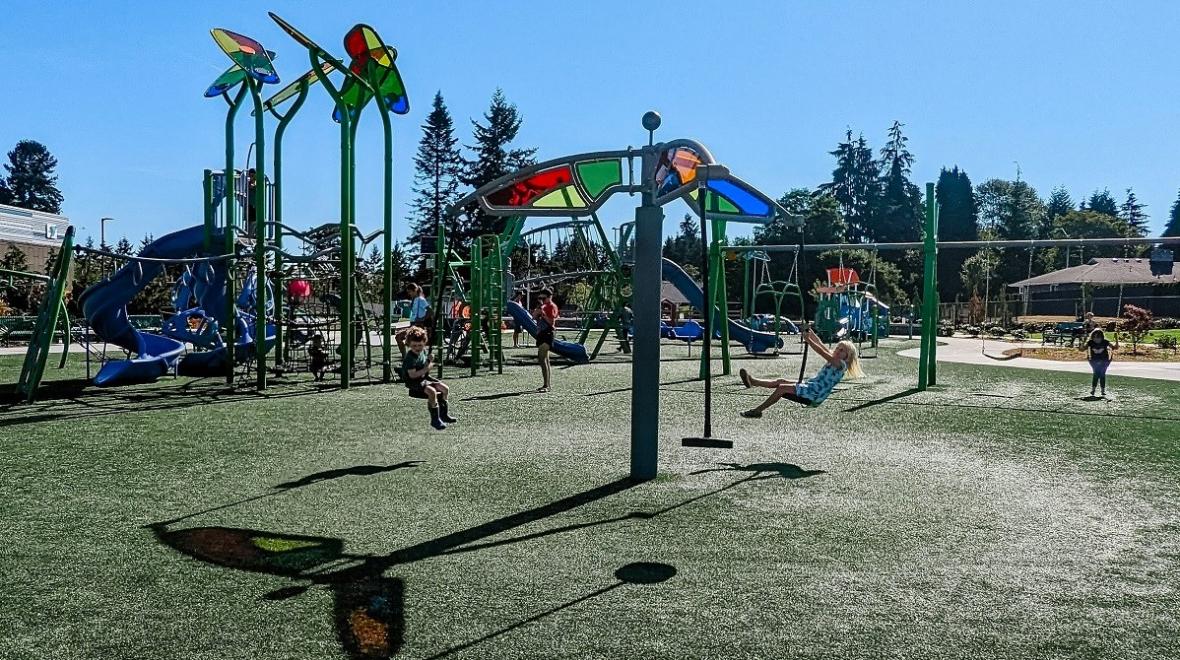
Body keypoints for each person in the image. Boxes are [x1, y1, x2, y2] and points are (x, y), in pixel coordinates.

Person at [737, 329, 863, 417]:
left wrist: (809, 340)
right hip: (810, 386)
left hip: (814, 394)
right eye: (838, 348)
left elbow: (821, 352)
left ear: (848, 356)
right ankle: (752, 381)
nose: (838, 351)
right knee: (781, 381)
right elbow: (822, 345)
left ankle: (757, 410)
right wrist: (811, 333)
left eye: (842, 350)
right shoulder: (835, 359)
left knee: (782, 388)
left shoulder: (841, 365)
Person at [400, 326, 456, 430]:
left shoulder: (423, 351)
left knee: (445, 389)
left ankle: (444, 415)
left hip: (424, 379)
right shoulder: (410, 358)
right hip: (413, 382)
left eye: (420, 345)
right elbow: (413, 375)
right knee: (432, 392)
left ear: (424, 343)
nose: (417, 348)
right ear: (409, 344)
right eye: (414, 346)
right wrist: (427, 368)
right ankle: (435, 420)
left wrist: (429, 360)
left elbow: (424, 365)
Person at [396, 283, 433, 355]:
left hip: (418, 325)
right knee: (399, 337)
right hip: (413, 324)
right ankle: (406, 357)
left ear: (415, 290)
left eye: (410, 292)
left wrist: (422, 318)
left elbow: (430, 311)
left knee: (400, 337)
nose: (409, 294)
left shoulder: (421, 300)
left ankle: (408, 358)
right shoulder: (414, 300)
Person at [533, 288, 559, 392]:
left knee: (542, 358)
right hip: (541, 333)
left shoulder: (551, 306)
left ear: (549, 297)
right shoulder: (543, 306)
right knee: (545, 360)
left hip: (548, 333)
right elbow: (534, 317)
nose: (542, 300)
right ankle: (547, 384)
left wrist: (543, 314)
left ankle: (546, 386)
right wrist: (537, 312)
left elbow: (551, 322)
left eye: (543, 298)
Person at [1083, 328, 1114, 397]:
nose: (1097, 339)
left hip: (1104, 361)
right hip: (1094, 361)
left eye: (1099, 337)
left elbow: (1114, 347)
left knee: (1102, 374)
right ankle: (1093, 390)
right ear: (1092, 337)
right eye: (1095, 337)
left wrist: (1116, 343)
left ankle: (1102, 390)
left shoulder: (1105, 342)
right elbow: (1082, 349)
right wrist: (1083, 341)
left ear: (1102, 337)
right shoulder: (1090, 342)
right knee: (1096, 374)